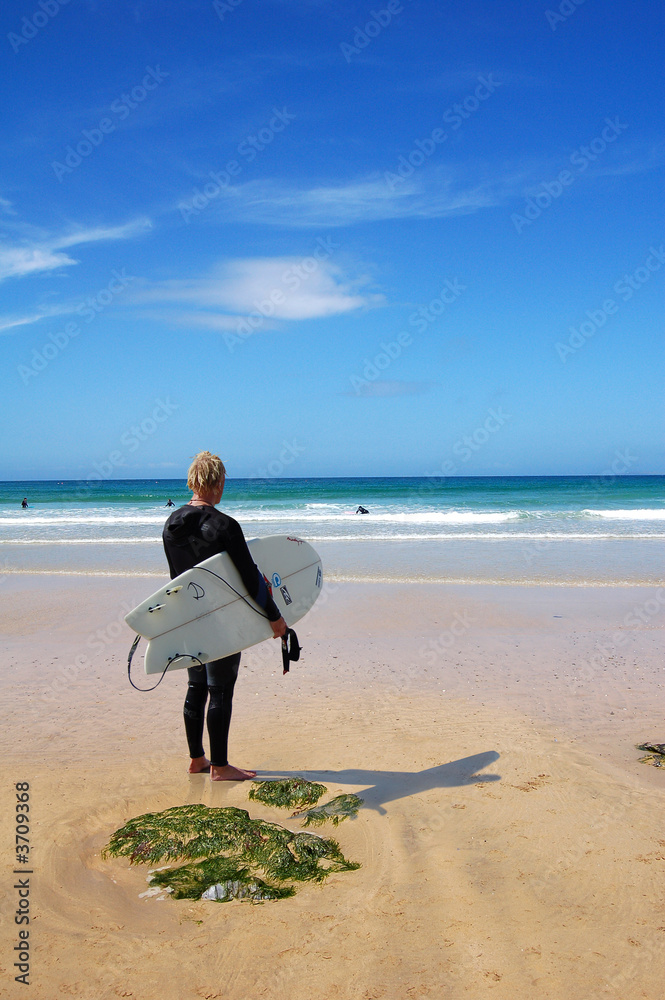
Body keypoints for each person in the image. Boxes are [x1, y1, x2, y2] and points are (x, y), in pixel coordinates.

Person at [162, 451, 286, 781]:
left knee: (195, 687)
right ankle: (219, 766)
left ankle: (196, 760)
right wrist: (274, 617)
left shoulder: (171, 525)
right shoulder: (225, 526)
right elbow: (250, 577)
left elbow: (176, 579)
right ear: (217, 483)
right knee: (220, 691)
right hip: (222, 619)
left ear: (192, 482)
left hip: (188, 617)